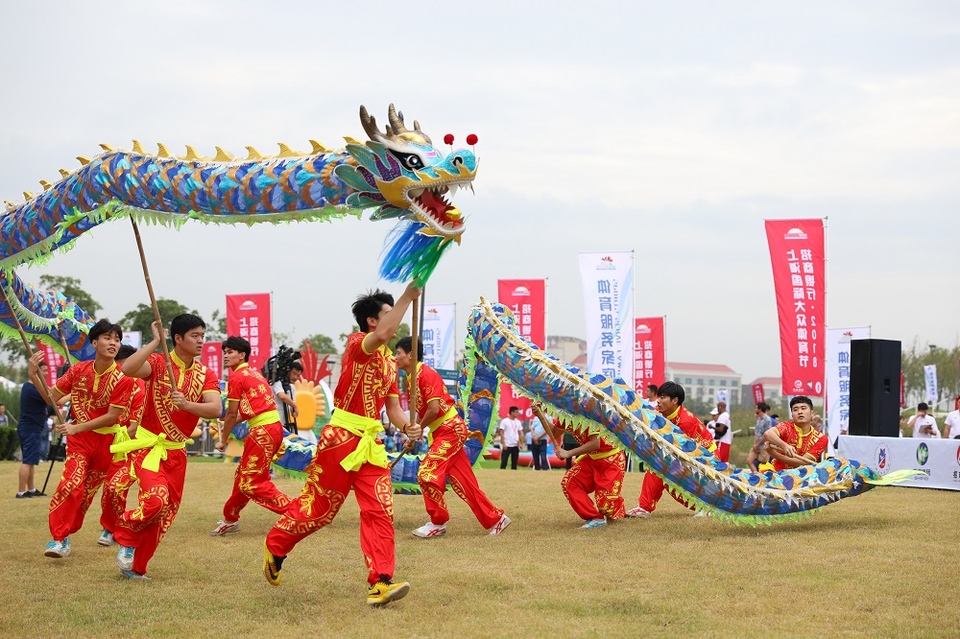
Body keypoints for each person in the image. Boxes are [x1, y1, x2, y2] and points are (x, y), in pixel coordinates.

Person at [263, 284, 422, 607]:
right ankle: (276, 545)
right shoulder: (357, 345)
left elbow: (391, 407)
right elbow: (382, 336)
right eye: (388, 314)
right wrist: (408, 296)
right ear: (371, 322)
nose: (394, 321)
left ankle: (380, 582)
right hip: (341, 439)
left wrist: (408, 426)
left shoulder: (391, 364)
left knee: (380, 510)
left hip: (371, 444)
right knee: (321, 511)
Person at [114, 315, 222, 580]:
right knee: (155, 501)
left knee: (165, 514)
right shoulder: (158, 363)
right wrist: (154, 341)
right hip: (149, 448)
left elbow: (215, 408)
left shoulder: (205, 374)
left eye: (202, 335)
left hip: (177, 452)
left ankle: (137, 568)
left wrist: (187, 405)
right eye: (195, 335)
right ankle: (126, 532)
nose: (201, 340)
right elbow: (127, 368)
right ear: (177, 338)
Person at [33, 320, 134, 558]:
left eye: (117, 339)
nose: (113, 343)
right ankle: (59, 539)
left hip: (108, 444)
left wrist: (76, 428)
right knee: (70, 484)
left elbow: (112, 417)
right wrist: (34, 375)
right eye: (108, 338)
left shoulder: (124, 377)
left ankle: (76, 532)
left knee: (85, 495)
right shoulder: (78, 371)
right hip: (80, 442)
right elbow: (51, 399)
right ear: (94, 342)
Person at [395, 336, 510, 539]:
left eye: (398, 353)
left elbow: (434, 408)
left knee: (426, 473)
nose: (395, 358)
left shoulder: (425, 374)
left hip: (450, 429)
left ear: (410, 355)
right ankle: (496, 518)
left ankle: (437, 522)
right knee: (464, 483)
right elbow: (423, 412)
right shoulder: (412, 379)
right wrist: (413, 434)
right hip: (441, 431)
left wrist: (418, 429)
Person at [210, 336, 292, 536]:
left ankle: (297, 511)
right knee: (244, 476)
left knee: (251, 482)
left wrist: (223, 439)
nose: (226, 356)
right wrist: (229, 423)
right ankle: (230, 518)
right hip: (270, 427)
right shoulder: (254, 374)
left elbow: (231, 413)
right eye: (225, 352)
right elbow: (248, 412)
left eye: (230, 352)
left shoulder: (238, 377)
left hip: (263, 431)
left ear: (242, 354)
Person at [627, 382, 715, 518]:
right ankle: (644, 508)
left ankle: (705, 507)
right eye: (659, 397)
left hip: (707, 457)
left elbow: (686, 452)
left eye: (663, 397)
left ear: (675, 401)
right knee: (656, 467)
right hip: (686, 452)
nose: (659, 401)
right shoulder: (660, 412)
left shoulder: (686, 422)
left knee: (671, 478)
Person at [532, 404, 625, 529]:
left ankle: (615, 505)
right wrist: (540, 416)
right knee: (569, 482)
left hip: (611, 459)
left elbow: (595, 443)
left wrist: (569, 453)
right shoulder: (566, 416)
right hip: (591, 459)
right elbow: (554, 432)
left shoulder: (590, 414)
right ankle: (594, 517)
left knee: (605, 505)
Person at [98, 344, 146, 548]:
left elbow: (135, 427)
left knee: (117, 486)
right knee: (110, 488)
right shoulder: (110, 382)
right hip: (115, 446)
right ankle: (110, 527)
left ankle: (121, 528)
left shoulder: (139, 386)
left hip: (135, 447)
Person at [759, 396, 827, 471]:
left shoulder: (821, 438)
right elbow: (768, 434)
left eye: (803, 408)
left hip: (804, 476)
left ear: (811, 413)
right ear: (792, 415)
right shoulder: (786, 427)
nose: (800, 412)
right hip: (777, 473)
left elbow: (801, 462)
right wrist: (784, 446)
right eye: (795, 409)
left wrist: (774, 454)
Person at [16, 359, 51, 499]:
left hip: (33, 427)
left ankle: (31, 489)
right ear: (35, 371)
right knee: (28, 461)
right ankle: (20, 491)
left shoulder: (32, 387)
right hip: (30, 428)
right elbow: (51, 399)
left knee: (31, 460)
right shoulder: (31, 388)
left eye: (48, 371)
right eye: (44, 371)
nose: (47, 374)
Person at [747, 402, 773, 471]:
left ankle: (761, 478)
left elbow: (767, 435)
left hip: (763, 446)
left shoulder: (767, 420)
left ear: (760, 409)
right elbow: (757, 433)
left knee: (763, 465)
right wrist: (755, 445)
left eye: (756, 408)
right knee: (749, 461)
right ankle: (756, 476)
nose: (755, 409)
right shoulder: (759, 419)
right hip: (756, 446)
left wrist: (758, 445)